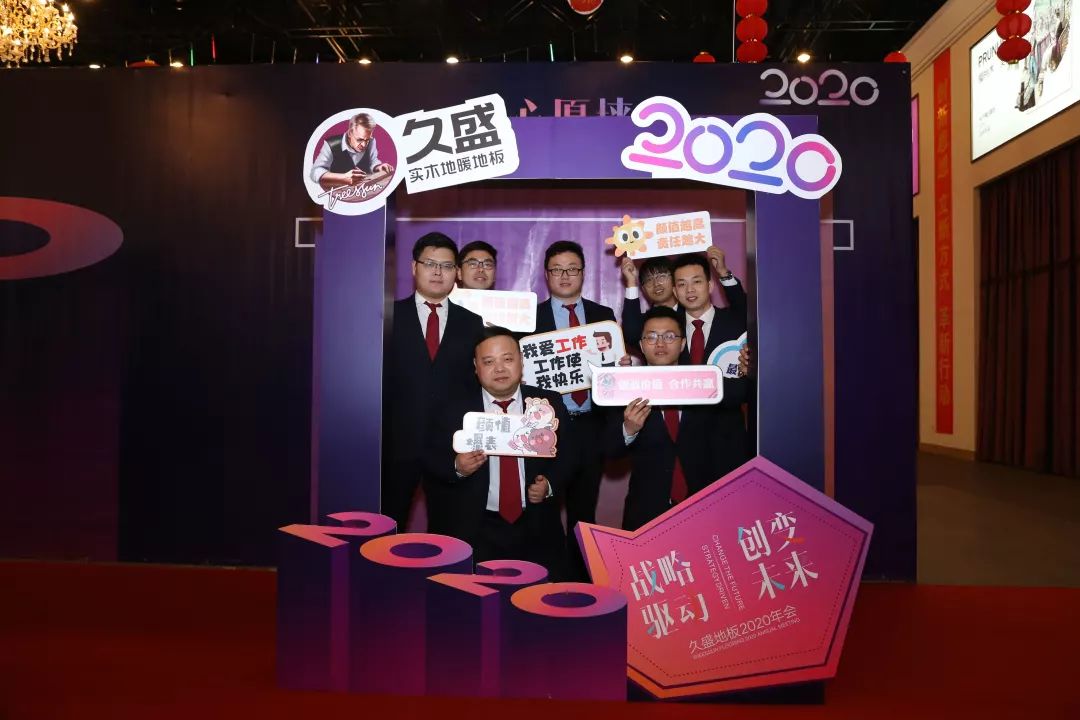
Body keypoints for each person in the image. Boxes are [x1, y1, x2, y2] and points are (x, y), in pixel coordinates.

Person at [424, 326, 569, 577]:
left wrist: (549, 484)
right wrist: (457, 467)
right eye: (489, 362)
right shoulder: (452, 407)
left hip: (536, 526)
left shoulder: (548, 404)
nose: (499, 369)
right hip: (475, 528)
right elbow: (429, 458)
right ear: (476, 366)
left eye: (507, 359)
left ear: (521, 361)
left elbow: (571, 454)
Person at [609, 307, 751, 530]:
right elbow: (608, 450)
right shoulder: (624, 388)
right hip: (647, 513)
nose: (660, 344)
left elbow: (743, 394)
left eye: (669, 336)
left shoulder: (706, 383)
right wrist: (629, 429)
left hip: (705, 510)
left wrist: (750, 369)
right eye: (651, 337)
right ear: (642, 345)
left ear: (683, 343)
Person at [384, 232, 483, 533]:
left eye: (447, 266)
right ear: (414, 267)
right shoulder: (388, 316)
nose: (438, 272)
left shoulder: (471, 322)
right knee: (388, 529)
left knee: (449, 535)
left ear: (457, 272)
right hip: (396, 445)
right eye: (430, 264)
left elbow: (474, 385)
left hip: (450, 448)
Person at [534, 240, 616, 579]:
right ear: (546, 275)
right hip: (546, 429)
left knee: (584, 513)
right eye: (557, 270)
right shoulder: (532, 318)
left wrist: (619, 369)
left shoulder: (603, 316)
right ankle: (546, 584)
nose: (565, 276)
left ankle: (582, 585)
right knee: (544, 512)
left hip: (590, 426)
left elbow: (611, 372)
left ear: (583, 273)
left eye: (572, 269)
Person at [621, 246, 745, 346]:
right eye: (648, 280)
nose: (656, 283)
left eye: (662, 276)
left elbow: (744, 309)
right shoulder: (649, 325)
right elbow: (631, 335)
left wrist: (723, 273)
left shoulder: (703, 316)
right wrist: (631, 282)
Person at [671, 253, 748, 365]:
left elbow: (744, 306)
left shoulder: (734, 320)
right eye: (682, 284)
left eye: (697, 281)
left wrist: (723, 272)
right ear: (675, 292)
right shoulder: (670, 328)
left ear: (710, 286)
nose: (689, 289)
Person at [310, 113, 395, 190]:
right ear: (350, 133)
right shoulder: (331, 144)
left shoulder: (372, 141)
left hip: (364, 193)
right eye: (359, 140)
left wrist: (378, 167)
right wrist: (343, 178)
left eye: (367, 140)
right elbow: (315, 172)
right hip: (337, 195)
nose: (364, 145)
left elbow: (372, 161)